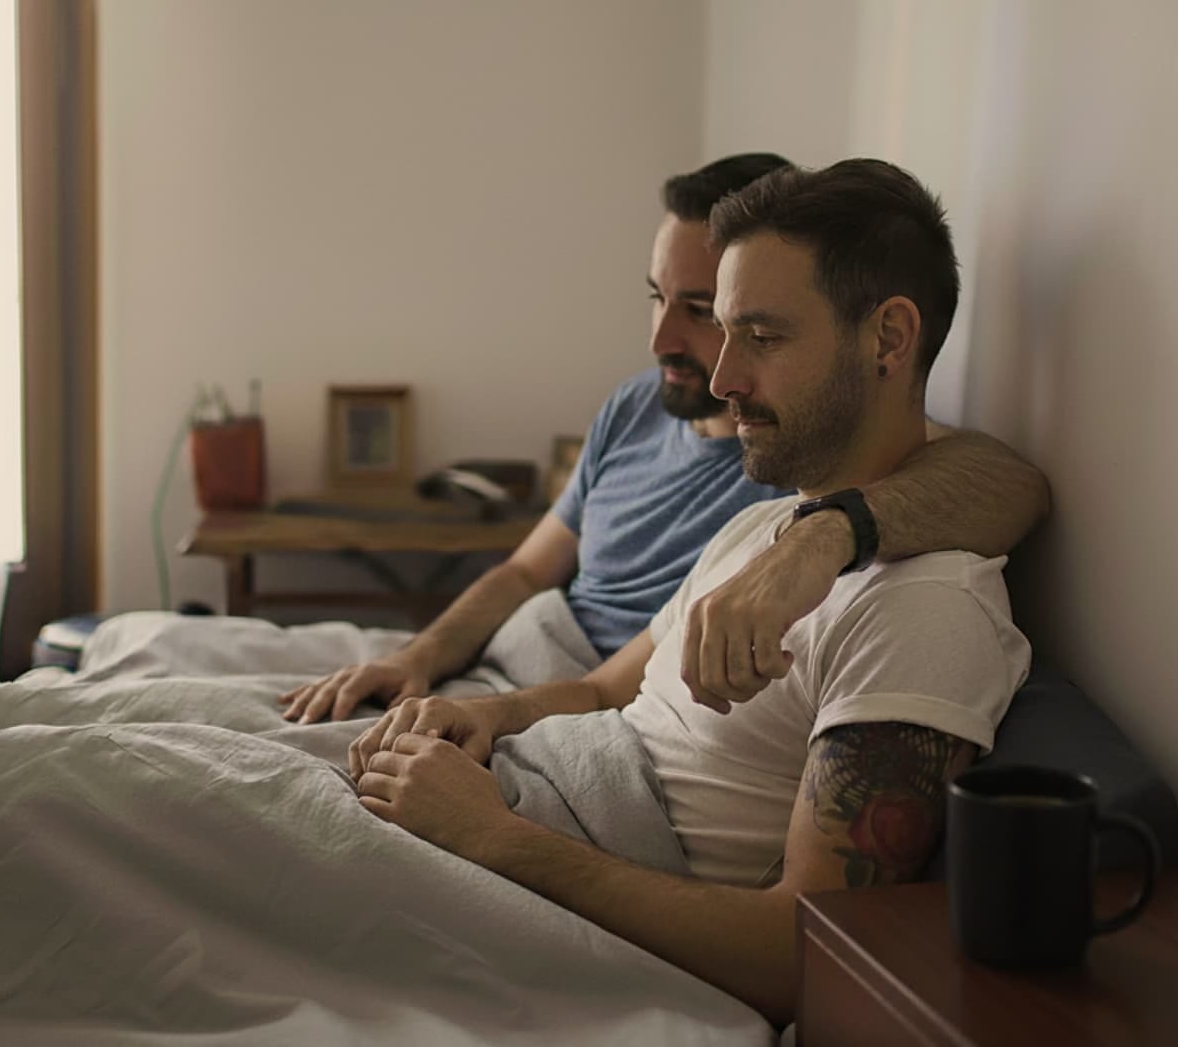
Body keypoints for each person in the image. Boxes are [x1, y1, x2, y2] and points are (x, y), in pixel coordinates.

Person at [348, 158, 1032, 1025]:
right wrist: (486, 717)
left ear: (890, 339)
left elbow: (808, 954)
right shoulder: (761, 531)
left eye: (762, 336)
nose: (721, 380)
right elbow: (604, 689)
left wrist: (492, 836)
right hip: (505, 788)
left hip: (521, 850)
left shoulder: (925, 612)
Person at [280, 154, 1049, 724]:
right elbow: (522, 575)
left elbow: (1002, 480)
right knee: (167, 664)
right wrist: (415, 658)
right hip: (508, 675)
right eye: (658, 300)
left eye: (708, 313)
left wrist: (821, 539)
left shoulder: (802, 442)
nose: (665, 342)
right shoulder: (640, 409)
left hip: (571, 704)